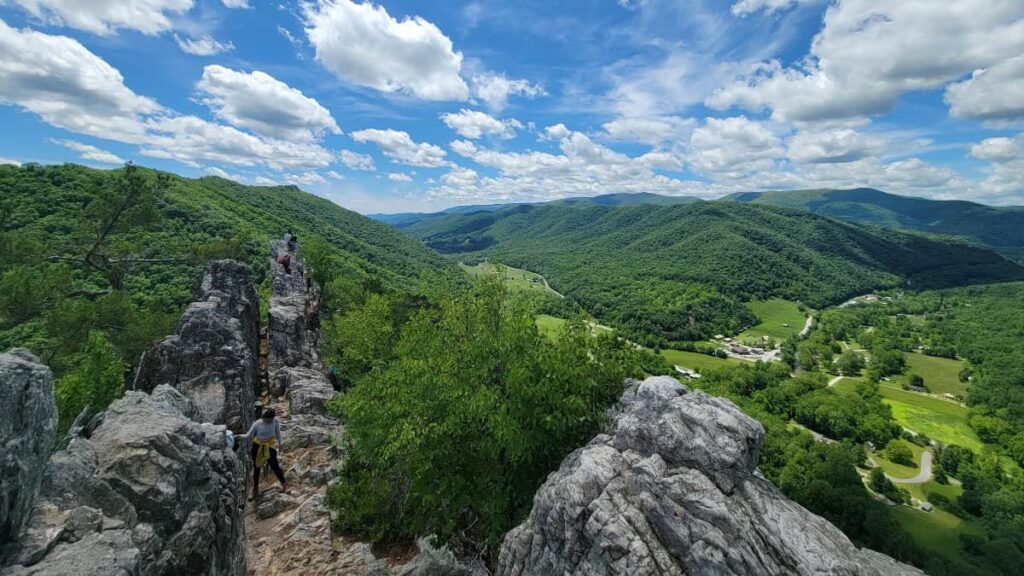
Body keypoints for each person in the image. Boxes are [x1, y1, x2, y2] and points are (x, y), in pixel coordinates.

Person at [240, 408, 289, 500]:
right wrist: (238, 436)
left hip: (269, 444)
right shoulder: (258, 423)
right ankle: (255, 488)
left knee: (275, 465)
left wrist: (281, 444)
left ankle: (284, 484)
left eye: (266, 419)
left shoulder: (275, 421)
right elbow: (248, 435)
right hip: (258, 445)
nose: (264, 420)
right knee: (256, 467)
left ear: (271, 418)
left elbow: (278, 433)